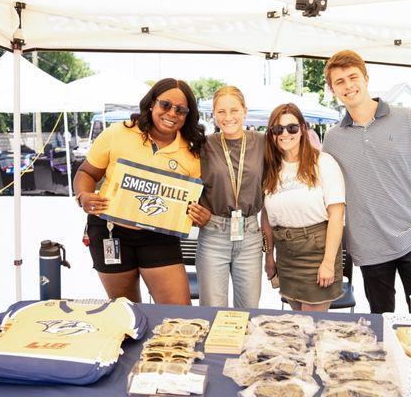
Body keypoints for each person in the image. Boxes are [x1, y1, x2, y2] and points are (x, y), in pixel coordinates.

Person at [322, 50, 411, 314]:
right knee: (381, 328)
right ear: (333, 90)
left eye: (352, 77)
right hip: (370, 248)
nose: (348, 86)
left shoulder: (409, 119)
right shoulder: (332, 139)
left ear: (366, 78)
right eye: (339, 82)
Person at [73, 78, 205, 305]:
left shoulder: (191, 154)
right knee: (128, 314)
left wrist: (197, 215)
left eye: (181, 110)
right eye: (165, 105)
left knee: (178, 314)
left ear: (187, 115)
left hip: (160, 237)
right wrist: (83, 196)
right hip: (110, 231)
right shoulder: (118, 133)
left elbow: (190, 204)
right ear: (152, 103)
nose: (172, 113)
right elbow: (86, 173)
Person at [261, 103, 345, 312]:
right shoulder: (271, 168)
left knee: (312, 328)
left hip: (317, 252)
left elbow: (337, 214)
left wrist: (328, 262)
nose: (284, 134)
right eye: (277, 129)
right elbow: (266, 216)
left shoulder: (323, 162)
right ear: (271, 134)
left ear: (303, 129)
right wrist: (269, 256)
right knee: (299, 327)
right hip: (286, 256)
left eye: (292, 127)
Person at [187, 86, 266, 308]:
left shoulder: (263, 142)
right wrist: (192, 209)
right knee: (212, 310)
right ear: (213, 114)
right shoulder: (203, 145)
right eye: (221, 111)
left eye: (234, 110)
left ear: (245, 111)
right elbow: (183, 182)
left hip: (250, 234)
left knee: (248, 311)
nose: (228, 117)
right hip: (213, 234)